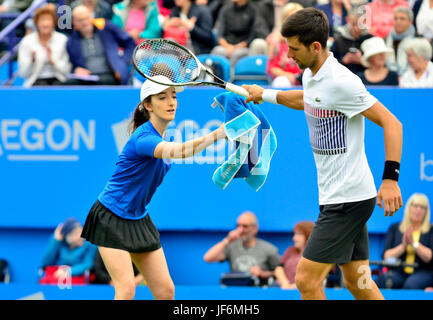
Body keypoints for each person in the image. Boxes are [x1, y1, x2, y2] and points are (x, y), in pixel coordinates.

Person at [243, 8, 403, 300]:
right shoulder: (311, 75)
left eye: (294, 48)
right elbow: (309, 100)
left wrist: (391, 179)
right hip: (340, 196)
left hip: (347, 199)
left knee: (305, 280)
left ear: (315, 46)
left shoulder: (343, 82)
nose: (288, 55)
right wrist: (263, 94)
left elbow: (392, 123)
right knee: (358, 281)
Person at [81, 76, 227, 300]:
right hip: (110, 215)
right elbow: (182, 151)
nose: (171, 102)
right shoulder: (144, 138)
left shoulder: (161, 136)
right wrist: (219, 133)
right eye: (162, 97)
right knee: (126, 289)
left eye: (174, 96)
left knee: (166, 291)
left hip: (138, 218)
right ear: (148, 105)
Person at [66, 5, 136, 85]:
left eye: (86, 18)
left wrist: (122, 61)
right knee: (70, 83)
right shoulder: (71, 41)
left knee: (106, 81)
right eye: (80, 20)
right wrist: (76, 70)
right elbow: (73, 63)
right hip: (86, 77)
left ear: (92, 17)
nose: (84, 22)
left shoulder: (106, 27)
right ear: (74, 22)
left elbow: (129, 43)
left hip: (108, 74)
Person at [203, 211, 280, 282]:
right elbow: (208, 258)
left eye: (245, 226)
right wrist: (227, 240)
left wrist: (262, 273)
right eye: (238, 226)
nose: (240, 230)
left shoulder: (269, 249)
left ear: (255, 229)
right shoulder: (231, 246)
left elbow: (282, 273)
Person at [377, 193, 433, 289]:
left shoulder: (430, 230)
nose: (418, 210)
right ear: (409, 208)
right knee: (385, 279)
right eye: (415, 206)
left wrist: (414, 244)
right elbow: (386, 256)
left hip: (423, 272)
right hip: (398, 271)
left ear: (426, 211)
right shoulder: (395, 228)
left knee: (411, 284)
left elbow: (429, 257)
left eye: (422, 207)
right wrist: (403, 246)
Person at [17, 5, 71, 87]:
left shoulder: (62, 40)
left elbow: (67, 70)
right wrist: (32, 60)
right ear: (36, 23)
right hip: (35, 80)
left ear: (53, 22)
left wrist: (53, 61)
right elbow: (22, 73)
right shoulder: (27, 41)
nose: (45, 24)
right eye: (42, 20)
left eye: (48, 20)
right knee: (40, 85)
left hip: (59, 79)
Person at [210, 0, 270, 67]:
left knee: (237, 54)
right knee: (218, 51)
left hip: (244, 46)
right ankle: (213, 75)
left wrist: (237, 47)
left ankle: (231, 76)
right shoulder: (225, 9)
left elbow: (252, 35)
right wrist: (228, 46)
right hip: (226, 45)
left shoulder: (253, 10)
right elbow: (219, 34)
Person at [40, 218, 98, 283]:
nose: (81, 236)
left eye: (82, 231)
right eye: (76, 233)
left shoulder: (89, 243)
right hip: (56, 276)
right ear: (68, 236)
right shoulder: (59, 242)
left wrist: (69, 271)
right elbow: (46, 263)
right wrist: (55, 241)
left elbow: (88, 264)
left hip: (77, 277)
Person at [266, 2, 303, 88]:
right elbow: (271, 68)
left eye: (296, 18)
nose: (293, 22)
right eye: (289, 18)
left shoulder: (308, 39)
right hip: (285, 79)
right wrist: (287, 75)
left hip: (305, 78)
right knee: (281, 82)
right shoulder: (276, 41)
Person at [330, 6, 373, 75]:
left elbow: (378, 66)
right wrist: (343, 61)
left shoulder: (370, 39)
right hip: (343, 77)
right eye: (353, 24)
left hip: (366, 79)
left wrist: (362, 61)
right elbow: (330, 65)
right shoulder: (339, 39)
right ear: (347, 20)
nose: (356, 28)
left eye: (359, 24)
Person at [274, 221, 314, 289]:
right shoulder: (290, 251)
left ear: (308, 235)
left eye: (299, 235)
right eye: (295, 234)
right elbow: (279, 268)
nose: (294, 238)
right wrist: (285, 283)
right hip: (285, 287)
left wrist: (296, 286)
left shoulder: (317, 255)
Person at [384, 6, 416, 76]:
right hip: (390, 78)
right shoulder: (386, 39)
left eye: (402, 19)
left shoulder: (417, 39)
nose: (398, 21)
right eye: (396, 18)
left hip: (410, 78)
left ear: (410, 22)